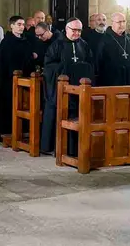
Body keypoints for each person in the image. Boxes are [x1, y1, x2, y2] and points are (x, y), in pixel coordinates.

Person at [40, 18, 95, 155]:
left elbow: (91, 63)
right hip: (60, 90)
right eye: (74, 30)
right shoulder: (57, 44)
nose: (77, 33)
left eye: (79, 30)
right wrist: (66, 68)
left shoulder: (84, 45)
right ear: (66, 29)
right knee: (55, 111)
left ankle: (74, 149)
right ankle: (53, 147)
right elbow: (48, 66)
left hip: (78, 89)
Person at [0, 16, 34, 142]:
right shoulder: (6, 42)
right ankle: (4, 130)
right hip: (6, 79)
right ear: (11, 26)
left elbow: (28, 60)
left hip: (23, 79)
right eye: (18, 24)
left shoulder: (26, 41)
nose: (21, 27)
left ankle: (21, 130)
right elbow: (5, 62)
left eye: (23, 24)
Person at [95, 12, 130, 86]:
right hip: (111, 82)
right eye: (119, 22)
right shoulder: (103, 40)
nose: (122, 24)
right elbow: (98, 63)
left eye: (124, 21)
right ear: (112, 23)